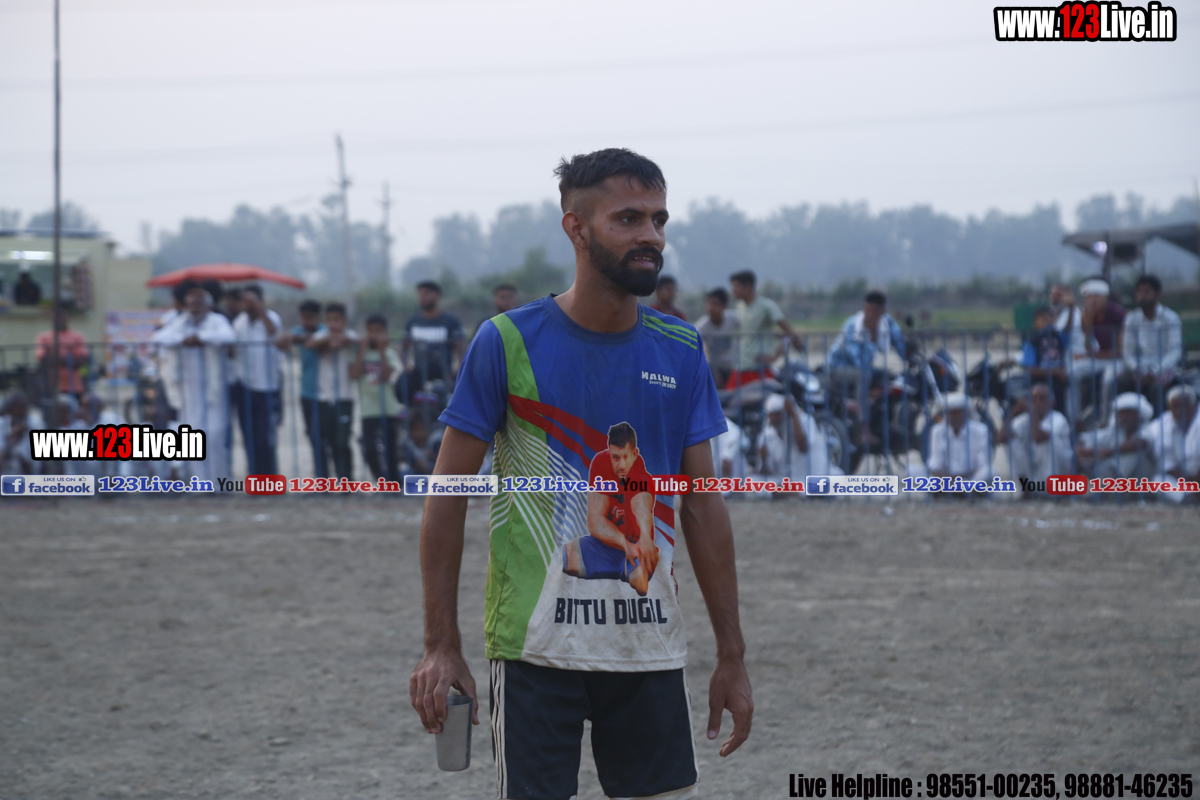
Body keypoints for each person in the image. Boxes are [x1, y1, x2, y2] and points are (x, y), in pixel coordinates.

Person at [410, 148, 752, 800]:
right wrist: (439, 645)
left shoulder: (681, 349)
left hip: (648, 647)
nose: (652, 236)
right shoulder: (506, 342)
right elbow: (447, 497)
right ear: (576, 228)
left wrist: (732, 655)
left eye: (658, 219)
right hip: (536, 649)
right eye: (628, 219)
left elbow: (704, 506)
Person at [152, 279, 236, 485]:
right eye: (191, 303)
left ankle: (219, 483)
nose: (195, 307)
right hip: (188, 388)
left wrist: (201, 338)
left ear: (207, 305)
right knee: (193, 436)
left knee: (214, 436)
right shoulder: (180, 322)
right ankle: (200, 482)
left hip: (213, 387)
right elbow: (160, 338)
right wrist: (184, 339)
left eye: (199, 302)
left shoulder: (217, 321)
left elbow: (228, 336)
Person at [563, 422, 659, 595]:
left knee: (640, 582)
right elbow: (595, 521)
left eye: (625, 457)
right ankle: (618, 570)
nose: (621, 465)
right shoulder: (600, 462)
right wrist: (623, 543)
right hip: (606, 545)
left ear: (634, 454)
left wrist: (645, 536)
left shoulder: (640, 474)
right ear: (609, 452)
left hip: (636, 547)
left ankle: (625, 570)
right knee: (560, 558)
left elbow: (642, 506)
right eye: (615, 457)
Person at [827, 291, 906, 440]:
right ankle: (863, 426)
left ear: (882, 311)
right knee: (864, 375)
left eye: (875, 311)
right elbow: (859, 361)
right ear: (864, 308)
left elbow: (899, 342)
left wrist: (909, 354)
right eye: (868, 310)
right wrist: (872, 337)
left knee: (891, 376)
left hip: (863, 367)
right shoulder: (853, 325)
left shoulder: (886, 323)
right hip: (838, 367)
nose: (870, 315)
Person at [231, 285, 282, 475]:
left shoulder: (271, 318)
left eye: (251, 301)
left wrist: (260, 311)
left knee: (266, 437)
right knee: (249, 437)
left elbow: (272, 331)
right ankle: (254, 476)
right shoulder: (239, 322)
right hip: (245, 385)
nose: (248, 305)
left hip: (268, 386)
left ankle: (270, 477)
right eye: (245, 301)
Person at [307, 302, 358, 480]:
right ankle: (326, 480)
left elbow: (349, 341)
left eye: (337, 320)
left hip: (345, 397)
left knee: (342, 441)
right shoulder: (321, 335)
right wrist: (329, 339)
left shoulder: (350, 335)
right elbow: (311, 344)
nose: (333, 324)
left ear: (344, 321)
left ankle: (346, 479)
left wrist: (335, 340)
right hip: (324, 397)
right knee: (326, 440)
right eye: (329, 320)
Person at [727, 269, 801, 389]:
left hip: (759, 368)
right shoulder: (739, 307)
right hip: (741, 365)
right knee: (731, 397)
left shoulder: (766, 306)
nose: (733, 290)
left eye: (736, 286)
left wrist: (775, 355)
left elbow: (788, 331)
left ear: (748, 287)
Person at [1120, 274, 1182, 413]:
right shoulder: (1131, 319)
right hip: (1138, 369)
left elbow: (1174, 351)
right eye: (1139, 292)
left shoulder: (1170, 318)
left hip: (1163, 368)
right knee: (1119, 383)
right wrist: (1137, 368)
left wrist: (1155, 371)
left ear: (1157, 293)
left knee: (1156, 388)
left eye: (1147, 291)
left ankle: (1157, 422)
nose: (1143, 296)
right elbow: (1127, 352)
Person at [353, 313, 404, 483]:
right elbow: (354, 373)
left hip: (388, 408)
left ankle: (393, 482)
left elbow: (388, 374)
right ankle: (381, 480)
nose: (374, 335)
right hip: (368, 409)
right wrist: (362, 351)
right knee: (369, 448)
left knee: (390, 448)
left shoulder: (390, 354)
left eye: (378, 331)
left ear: (386, 333)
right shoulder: (361, 354)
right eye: (371, 331)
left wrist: (382, 351)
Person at [278, 300, 326, 470]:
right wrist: (295, 337)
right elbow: (280, 342)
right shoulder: (298, 331)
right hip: (307, 391)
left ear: (318, 318)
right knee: (312, 434)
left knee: (325, 436)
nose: (307, 322)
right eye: (304, 318)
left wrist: (308, 339)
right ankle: (321, 475)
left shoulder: (325, 332)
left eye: (311, 317)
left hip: (325, 392)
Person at [401, 280, 464, 405]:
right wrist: (406, 365)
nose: (423, 298)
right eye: (420, 294)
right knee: (402, 385)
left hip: (444, 372)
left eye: (426, 294)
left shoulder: (451, 321)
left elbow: (461, 348)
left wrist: (458, 370)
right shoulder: (413, 322)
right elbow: (404, 347)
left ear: (438, 296)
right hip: (419, 372)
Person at [1000, 383, 1073, 490]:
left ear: (1052, 403)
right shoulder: (1024, 419)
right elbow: (1002, 438)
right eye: (1034, 399)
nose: (1037, 403)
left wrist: (1032, 411)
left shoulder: (1058, 418)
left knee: (1049, 441)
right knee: (1010, 441)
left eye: (1042, 399)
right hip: (1035, 468)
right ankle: (1026, 488)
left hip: (1058, 471)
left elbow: (1038, 437)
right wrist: (1011, 414)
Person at [1076, 392, 1155, 481]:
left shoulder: (1148, 429)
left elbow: (1140, 443)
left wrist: (1107, 452)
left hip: (1141, 480)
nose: (1125, 418)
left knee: (1133, 452)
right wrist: (1086, 450)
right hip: (1113, 478)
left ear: (1139, 414)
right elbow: (1085, 438)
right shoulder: (1115, 432)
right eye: (1122, 414)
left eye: (1129, 413)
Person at [757, 392, 832, 485]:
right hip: (786, 480)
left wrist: (793, 414)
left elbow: (803, 447)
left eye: (778, 414)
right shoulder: (766, 435)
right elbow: (767, 472)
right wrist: (763, 459)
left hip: (813, 476)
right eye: (772, 414)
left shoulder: (806, 420)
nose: (775, 418)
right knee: (754, 481)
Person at [1142, 384, 1200, 502]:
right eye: (1175, 406)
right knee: (1159, 480)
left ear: (1194, 405)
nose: (1180, 411)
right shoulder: (1163, 423)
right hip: (1183, 478)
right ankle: (1187, 499)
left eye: (1184, 405)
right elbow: (1145, 436)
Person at [1012, 306, 1068, 414]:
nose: (1048, 322)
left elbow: (1068, 329)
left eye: (1050, 318)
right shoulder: (1032, 342)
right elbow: (1030, 370)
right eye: (1043, 319)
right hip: (1040, 383)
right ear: (1035, 323)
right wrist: (1055, 372)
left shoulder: (1059, 338)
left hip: (1059, 384)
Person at [927, 392, 992, 483]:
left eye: (957, 413)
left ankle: (961, 488)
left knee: (989, 472)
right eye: (951, 412)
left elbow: (983, 463)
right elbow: (935, 462)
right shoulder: (937, 430)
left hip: (971, 478)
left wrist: (961, 477)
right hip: (946, 478)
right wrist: (944, 477)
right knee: (912, 471)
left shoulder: (980, 430)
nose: (954, 417)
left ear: (966, 413)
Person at [35, 303, 90, 397]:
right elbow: (43, 360)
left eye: (62, 314)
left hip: (75, 388)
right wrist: (69, 358)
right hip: (52, 388)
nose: (60, 318)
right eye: (57, 314)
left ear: (67, 315)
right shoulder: (44, 337)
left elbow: (82, 360)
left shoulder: (77, 337)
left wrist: (55, 357)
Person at [694, 287, 739, 387]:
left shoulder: (733, 318)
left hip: (733, 366)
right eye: (709, 303)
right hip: (714, 368)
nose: (711, 307)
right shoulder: (701, 327)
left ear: (724, 306)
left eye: (715, 304)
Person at [0, 392, 45, 474]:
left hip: (31, 472)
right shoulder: (3, 423)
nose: (21, 411)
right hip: (8, 473)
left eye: (23, 407)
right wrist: (13, 435)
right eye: (17, 407)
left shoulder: (34, 422)